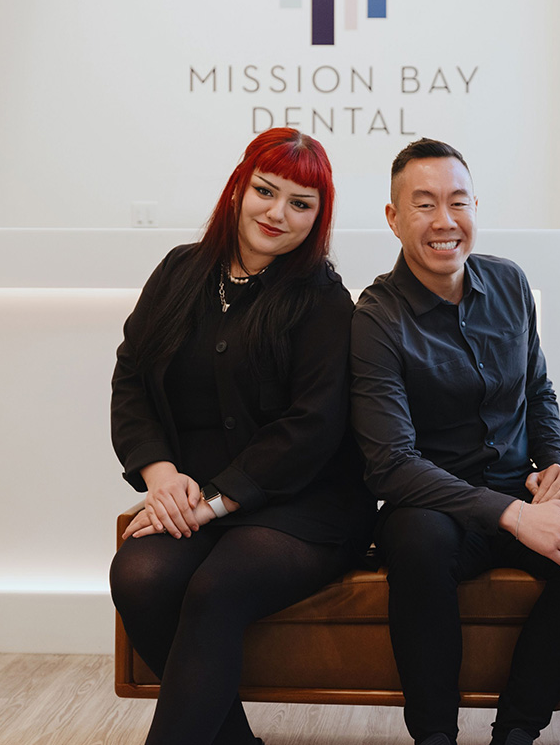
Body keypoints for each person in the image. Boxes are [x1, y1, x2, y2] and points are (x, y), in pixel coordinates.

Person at [349, 138, 560, 745]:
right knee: (417, 541)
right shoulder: (376, 317)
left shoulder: (509, 282)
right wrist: (513, 516)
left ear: (476, 207)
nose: (444, 220)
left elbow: (538, 391)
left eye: (458, 201)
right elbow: (390, 465)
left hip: (519, 492)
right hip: (434, 506)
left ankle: (518, 728)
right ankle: (435, 735)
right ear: (393, 218)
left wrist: (557, 468)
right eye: (424, 204)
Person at [109, 128, 375, 745]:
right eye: (265, 190)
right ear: (238, 189)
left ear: (318, 217)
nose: (277, 213)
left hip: (304, 505)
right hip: (194, 494)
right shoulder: (179, 271)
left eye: (300, 203)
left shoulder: (324, 300)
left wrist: (211, 503)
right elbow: (132, 380)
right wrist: (160, 476)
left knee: (218, 586)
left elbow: (311, 428)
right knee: (139, 575)